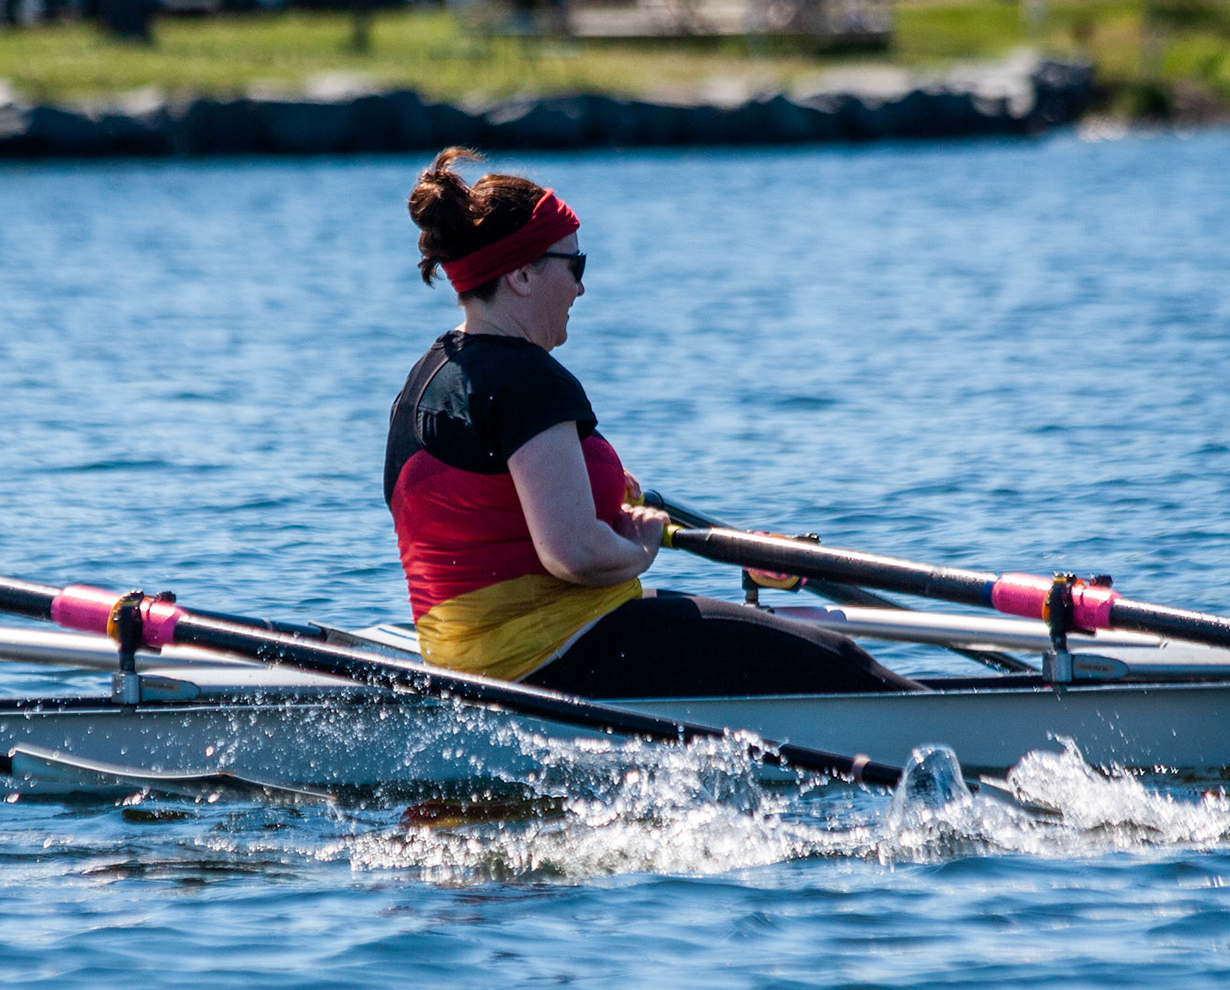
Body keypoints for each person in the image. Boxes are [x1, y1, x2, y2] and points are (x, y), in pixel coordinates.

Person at [385, 148, 916, 698]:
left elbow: (483, 502)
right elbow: (573, 553)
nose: (580, 288)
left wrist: (594, 487)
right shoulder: (528, 380)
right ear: (521, 274)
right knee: (836, 656)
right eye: (574, 266)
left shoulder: (427, 378)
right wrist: (639, 549)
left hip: (475, 668)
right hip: (563, 652)